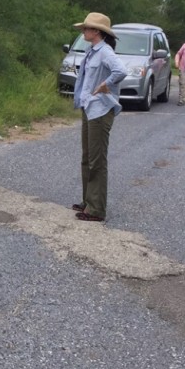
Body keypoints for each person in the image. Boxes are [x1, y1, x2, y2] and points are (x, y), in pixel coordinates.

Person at [72, 12, 126, 222]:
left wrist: (107, 84)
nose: (84, 31)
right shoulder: (92, 51)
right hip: (89, 107)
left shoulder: (105, 52)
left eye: (86, 28)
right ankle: (88, 201)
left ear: (97, 31)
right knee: (87, 158)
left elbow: (120, 71)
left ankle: (96, 209)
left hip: (100, 110)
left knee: (97, 160)